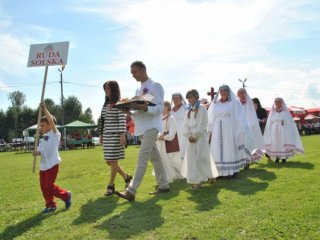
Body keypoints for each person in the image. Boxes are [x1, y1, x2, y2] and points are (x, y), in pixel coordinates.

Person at [116, 61, 170, 201]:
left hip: (152, 126)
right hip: (142, 128)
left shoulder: (155, 86)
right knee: (155, 158)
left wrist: (145, 108)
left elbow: (159, 108)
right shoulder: (137, 91)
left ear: (143, 69)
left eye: (135, 72)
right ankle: (164, 185)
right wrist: (129, 112)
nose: (133, 75)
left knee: (142, 157)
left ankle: (131, 191)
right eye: (132, 73)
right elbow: (138, 112)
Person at [32, 102, 71, 213]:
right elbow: (40, 152)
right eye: (40, 126)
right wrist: (36, 153)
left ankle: (66, 195)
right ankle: (50, 205)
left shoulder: (55, 134)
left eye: (43, 125)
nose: (41, 127)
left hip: (52, 165)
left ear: (50, 125)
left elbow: (50, 120)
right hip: (43, 166)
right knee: (43, 187)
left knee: (49, 186)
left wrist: (44, 109)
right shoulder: (42, 139)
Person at [208, 85, 253, 177]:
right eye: (221, 91)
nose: (223, 92)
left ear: (228, 92)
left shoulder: (234, 103)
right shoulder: (216, 103)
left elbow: (240, 116)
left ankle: (231, 171)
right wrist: (210, 129)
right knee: (216, 148)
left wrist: (242, 128)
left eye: (224, 91)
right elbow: (211, 116)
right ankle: (218, 172)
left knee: (228, 147)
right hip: (217, 129)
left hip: (229, 128)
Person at [99, 81, 132, 196]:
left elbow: (122, 120)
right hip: (107, 136)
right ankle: (126, 177)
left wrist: (122, 135)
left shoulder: (119, 104)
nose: (106, 91)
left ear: (114, 89)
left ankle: (111, 185)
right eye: (105, 89)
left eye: (108, 88)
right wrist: (101, 135)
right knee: (109, 161)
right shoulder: (105, 105)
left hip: (116, 136)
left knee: (113, 161)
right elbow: (102, 121)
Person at [182, 89, 218, 189]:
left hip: (199, 137)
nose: (189, 100)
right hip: (191, 139)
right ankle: (196, 181)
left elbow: (203, 123)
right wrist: (188, 135)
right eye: (188, 98)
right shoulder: (189, 109)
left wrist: (195, 135)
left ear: (195, 97)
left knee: (202, 157)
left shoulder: (201, 108)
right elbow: (185, 124)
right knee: (192, 159)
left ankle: (210, 175)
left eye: (190, 98)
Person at [263, 97, 304, 163]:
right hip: (274, 130)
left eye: (279, 102)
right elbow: (269, 122)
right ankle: (277, 157)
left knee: (282, 142)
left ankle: (284, 157)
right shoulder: (272, 112)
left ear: (282, 103)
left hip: (283, 129)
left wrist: (284, 122)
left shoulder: (285, 112)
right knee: (275, 143)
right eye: (276, 102)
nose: (277, 103)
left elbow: (290, 121)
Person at [156, 101, 183, 183]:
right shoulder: (159, 117)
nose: (162, 109)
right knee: (161, 159)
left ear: (168, 108)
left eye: (163, 107)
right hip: (160, 142)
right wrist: (158, 136)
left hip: (168, 142)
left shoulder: (171, 119)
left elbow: (172, 133)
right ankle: (164, 176)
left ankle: (171, 176)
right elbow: (157, 128)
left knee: (171, 160)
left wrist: (164, 137)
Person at [237, 88, 264, 168]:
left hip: (247, 127)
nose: (241, 94)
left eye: (242, 92)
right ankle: (240, 161)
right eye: (239, 93)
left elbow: (252, 115)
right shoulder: (236, 103)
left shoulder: (249, 103)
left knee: (247, 144)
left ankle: (247, 161)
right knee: (239, 144)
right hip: (238, 127)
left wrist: (251, 125)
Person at [171, 93, 188, 160]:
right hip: (174, 132)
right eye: (174, 99)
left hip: (183, 131)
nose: (175, 100)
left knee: (183, 146)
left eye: (177, 98)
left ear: (181, 99)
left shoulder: (185, 108)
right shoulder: (171, 110)